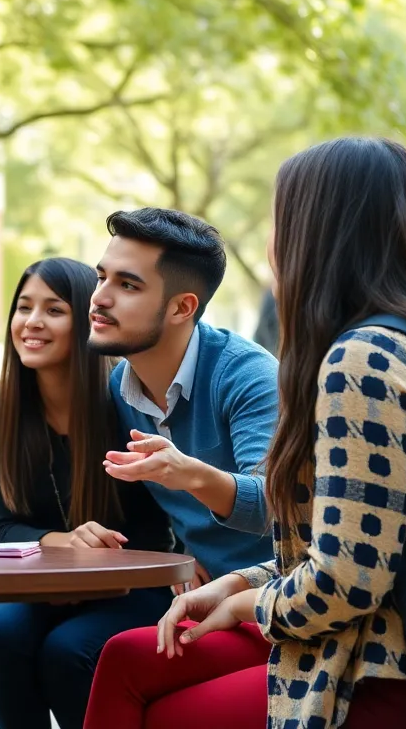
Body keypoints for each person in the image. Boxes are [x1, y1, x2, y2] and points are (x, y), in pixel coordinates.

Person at [84, 137, 406, 729]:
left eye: (285, 220)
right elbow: (372, 546)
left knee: (164, 712)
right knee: (131, 654)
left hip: (386, 671)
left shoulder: (364, 362)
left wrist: (249, 603)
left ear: (320, 234)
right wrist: (237, 584)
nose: (274, 245)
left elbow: (349, 582)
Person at [0, 257, 176, 729]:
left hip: (133, 585)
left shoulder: (126, 401)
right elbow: (5, 526)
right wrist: (67, 545)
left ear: (87, 319)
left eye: (54, 310)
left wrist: (94, 563)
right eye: (23, 307)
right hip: (46, 585)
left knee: (69, 651)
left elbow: (159, 525)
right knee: (0, 636)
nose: (32, 323)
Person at [89, 208, 277, 588]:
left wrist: (189, 474)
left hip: (273, 600)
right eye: (101, 277)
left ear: (182, 307)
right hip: (191, 592)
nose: (99, 298)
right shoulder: (121, 385)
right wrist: (176, 558)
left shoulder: (249, 376)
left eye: (127, 285)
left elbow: (272, 506)